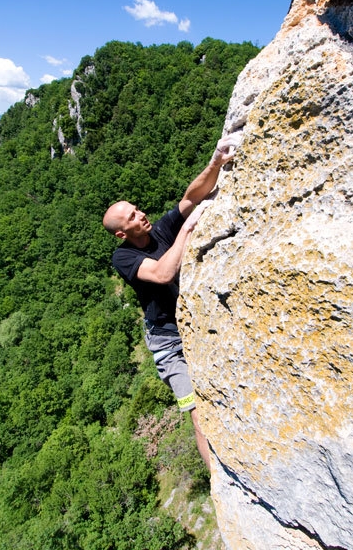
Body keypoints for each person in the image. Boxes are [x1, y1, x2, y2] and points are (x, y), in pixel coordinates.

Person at [102, 133, 241, 469]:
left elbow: (191, 199)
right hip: (169, 344)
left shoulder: (159, 230)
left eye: (137, 210)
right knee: (196, 411)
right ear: (122, 233)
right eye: (132, 218)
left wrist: (216, 162)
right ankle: (217, 482)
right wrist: (188, 231)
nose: (141, 216)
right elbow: (163, 273)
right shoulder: (123, 257)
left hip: (195, 324)